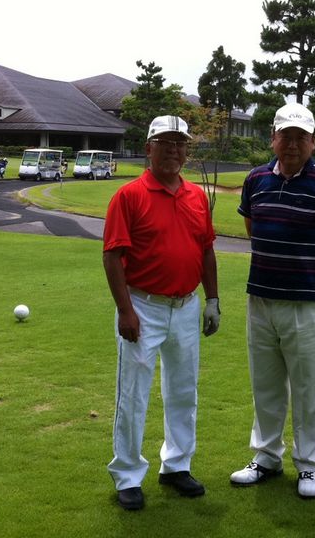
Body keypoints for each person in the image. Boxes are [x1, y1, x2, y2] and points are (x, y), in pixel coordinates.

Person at [229, 102, 315, 499]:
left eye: (301, 137)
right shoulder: (256, 178)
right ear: (273, 138)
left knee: (307, 387)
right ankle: (266, 456)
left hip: (306, 302)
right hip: (261, 298)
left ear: (313, 141)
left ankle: (309, 464)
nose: (293, 144)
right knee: (265, 384)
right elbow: (253, 224)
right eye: (286, 136)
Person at [102, 115, 221, 511]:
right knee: (133, 394)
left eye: (180, 143)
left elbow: (206, 249)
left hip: (186, 305)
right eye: (165, 143)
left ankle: (176, 465)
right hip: (143, 306)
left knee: (184, 391)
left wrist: (213, 299)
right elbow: (112, 256)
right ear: (148, 148)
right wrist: (125, 310)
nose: (173, 150)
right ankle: (127, 474)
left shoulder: (196, 196)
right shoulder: (129, 196)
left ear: (187, 151)